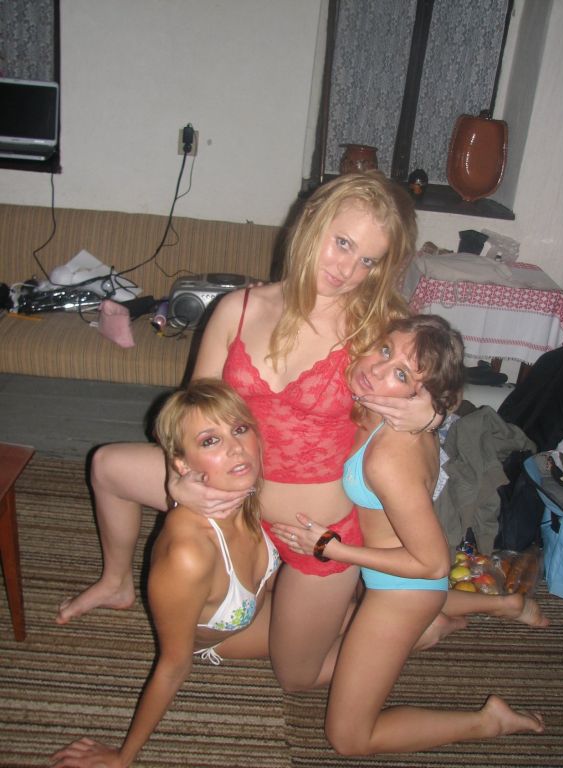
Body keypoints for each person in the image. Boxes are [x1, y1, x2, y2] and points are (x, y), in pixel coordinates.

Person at [56, 171, 438, 691]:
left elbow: (419, 417)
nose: (348, 270)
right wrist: (179, 480)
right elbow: (192, 414)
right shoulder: (237, 308)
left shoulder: (378, 330)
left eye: (369, 260)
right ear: (312, 222)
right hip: (234, 496)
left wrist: (430, 417)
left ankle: (404, 630)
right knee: (107, 467)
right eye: (343, 243)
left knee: (295, 677)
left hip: (312, 533)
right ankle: (116, 582)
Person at [272, 315, 546, 756]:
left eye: (401, 375)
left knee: (349, 738)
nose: (379, 369)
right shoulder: (381, 403)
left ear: (419, 394)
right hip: (401, 580)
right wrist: (436, 412)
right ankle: (502, 605)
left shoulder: (390, 457)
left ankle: (487, 721)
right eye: (385, 349)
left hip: (402, 592)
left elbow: (432, 565)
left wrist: (333, 548)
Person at [50, 379, 281, 768]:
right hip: (235, 633)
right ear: (182, 466)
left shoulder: (244, 485)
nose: (235, 448)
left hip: (268, 595)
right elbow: (173, 666)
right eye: (210, 441)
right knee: (347, 652)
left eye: (240, 429)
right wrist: (123, 757)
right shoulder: (188, 555)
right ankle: (113, 584)